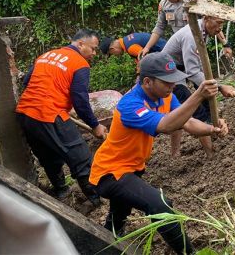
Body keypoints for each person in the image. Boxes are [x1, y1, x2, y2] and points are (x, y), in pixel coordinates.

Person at [89, 52, 228, 254]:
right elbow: (166, 125)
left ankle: (105, 242)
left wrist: (211, 129)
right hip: (110, 172)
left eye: (173, 81)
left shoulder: (166, 96)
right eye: (167, 82)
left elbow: (187, 122)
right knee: (160, 205)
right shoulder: (130, 105)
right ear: (147, 81)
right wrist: (198, 95)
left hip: (132, 167)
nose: (172, 86)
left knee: (119, 214)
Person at [15, 29, 108, 205]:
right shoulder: (80, 63)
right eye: (93, 48)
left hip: (25, 114)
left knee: (48, 156)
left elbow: (27, 83)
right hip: (49, 114)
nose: (94, 53)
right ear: (80, 44)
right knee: (81, 158)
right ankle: (98, 202)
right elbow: (80, 100)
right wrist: (95, 125)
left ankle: (62, 190)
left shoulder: (46, 55)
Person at [162, 15, 235, 158]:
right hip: (169, 75)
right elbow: (192, 72)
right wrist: (220, 87)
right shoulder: (192, 36)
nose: (220, 28)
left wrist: (213, 88)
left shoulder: (203, 31)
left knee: (207, 100)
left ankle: (213, 135)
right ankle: (210, 154)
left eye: (222, 24)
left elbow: (197, 66)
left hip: (183, 69)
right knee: (195, 109)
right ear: (207, 18)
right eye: (218, 23)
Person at [138, 0, 233, 61]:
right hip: (179, 47)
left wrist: (225, 45)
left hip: (196, 47)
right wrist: (147, 47)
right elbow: (159, 27)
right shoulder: (164, 4)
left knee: (197, 73)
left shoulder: (196, 3)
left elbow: (214, 24)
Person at [99, 32, 166, 59]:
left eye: (112, 54)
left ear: (112, 49)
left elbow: (145, 59)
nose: (116, 55)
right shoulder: (127, 40)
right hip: (164, 47)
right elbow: (139, 58)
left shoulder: (130, 48)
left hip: (166, 52)